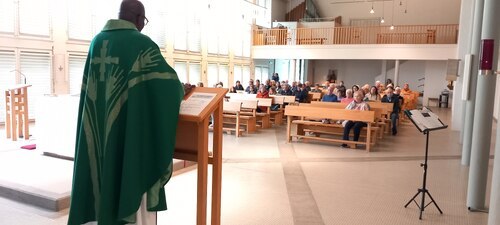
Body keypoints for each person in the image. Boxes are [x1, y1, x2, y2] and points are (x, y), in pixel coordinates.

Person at [67, 1, 188, 224]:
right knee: (130, 168)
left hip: (98, 136)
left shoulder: (96, 42)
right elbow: (167, 87)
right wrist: (182, 89)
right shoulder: (142, 45)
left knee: (101, 179)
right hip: (129, 140)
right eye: (145, 20)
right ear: (139, 17)